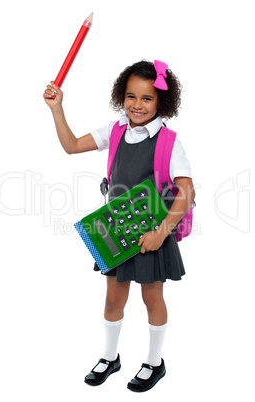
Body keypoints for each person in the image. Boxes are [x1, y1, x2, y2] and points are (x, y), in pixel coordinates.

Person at [43, 60, 195, 392]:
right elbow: (71, 146)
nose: (137, 105)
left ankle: (155, 363)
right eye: (131, 96)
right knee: (113, 300)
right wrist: (57, 109)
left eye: (147, 99)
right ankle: (111, 358)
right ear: (120, 97)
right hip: (115, 230)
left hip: (152, 234)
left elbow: (187, 191)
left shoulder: (169, 142)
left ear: (161, 102)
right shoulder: (114, 131)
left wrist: (160, 233)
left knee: (151, 299)